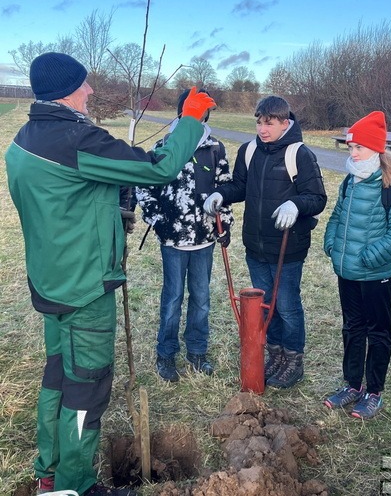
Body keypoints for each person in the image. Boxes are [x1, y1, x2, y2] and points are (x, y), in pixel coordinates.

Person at [5, 52, 216, 496]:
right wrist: (191, 120)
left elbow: (62, 203)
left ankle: (49, 471)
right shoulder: (75, 139)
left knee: (57, 377)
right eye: (84, 84)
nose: (91, 91)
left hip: (51, 284)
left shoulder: (24, 140)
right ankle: (76, 486)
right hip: (84, 290)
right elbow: (158, 167)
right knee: (87, 389)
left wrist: (109, 212)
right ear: (67, 90)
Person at [203, 95, 327, 389]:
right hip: (256, 245)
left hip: (287, 247)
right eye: (259, 122)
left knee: (286, 305)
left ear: (285, 123)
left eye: (269, 123)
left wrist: (295, 205)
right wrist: (222, 194)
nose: (262, 129)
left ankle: (293, 359)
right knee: (266, 304)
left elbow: (317, 197)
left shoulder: (299, 154)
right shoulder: (249, 151)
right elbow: (240, 186)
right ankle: (275, 354)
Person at [136, 89, 234, 382]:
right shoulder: (165, 145)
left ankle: (197, 351)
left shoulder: (215, 148)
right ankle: (166, 354)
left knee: (201, 298)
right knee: (173, 297)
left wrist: (225, 221)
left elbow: (225, 187)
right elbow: (144, 186)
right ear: (181, 113)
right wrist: (157, 219)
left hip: (204, 238)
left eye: (204, 112)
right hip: (173, 239)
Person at [323, 111, 391, 419]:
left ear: (375, 148)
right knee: (352, 327)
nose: (353, 153)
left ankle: (374, 392)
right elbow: (337, 217)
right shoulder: (350, 181)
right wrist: (332, 245)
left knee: (378, 333)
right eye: (350, 148)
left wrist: (369, 257)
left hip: (375, 275)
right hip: (346, 271)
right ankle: (352, 385)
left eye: (358, 148)